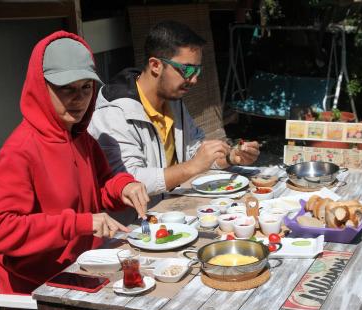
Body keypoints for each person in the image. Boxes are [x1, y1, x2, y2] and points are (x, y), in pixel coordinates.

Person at [0, 31, 149, 310]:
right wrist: (79, 224)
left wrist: (124, 186)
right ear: (40, 88)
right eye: (66, 89)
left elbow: (102, 184)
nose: (79, 99)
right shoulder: (21, 149)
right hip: (37, 297)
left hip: (84, 277)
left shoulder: (81, 137)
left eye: (86, 88)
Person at [88, 20, 260, 205]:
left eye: (198, 70)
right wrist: (191, 167)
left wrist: (229, 157)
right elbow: (127, 179)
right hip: (134, 225)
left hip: (172, 211)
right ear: (155, 65)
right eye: (187, 69)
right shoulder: (114, 114)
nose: (194, 79)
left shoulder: (173, 101)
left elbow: (195, 152)